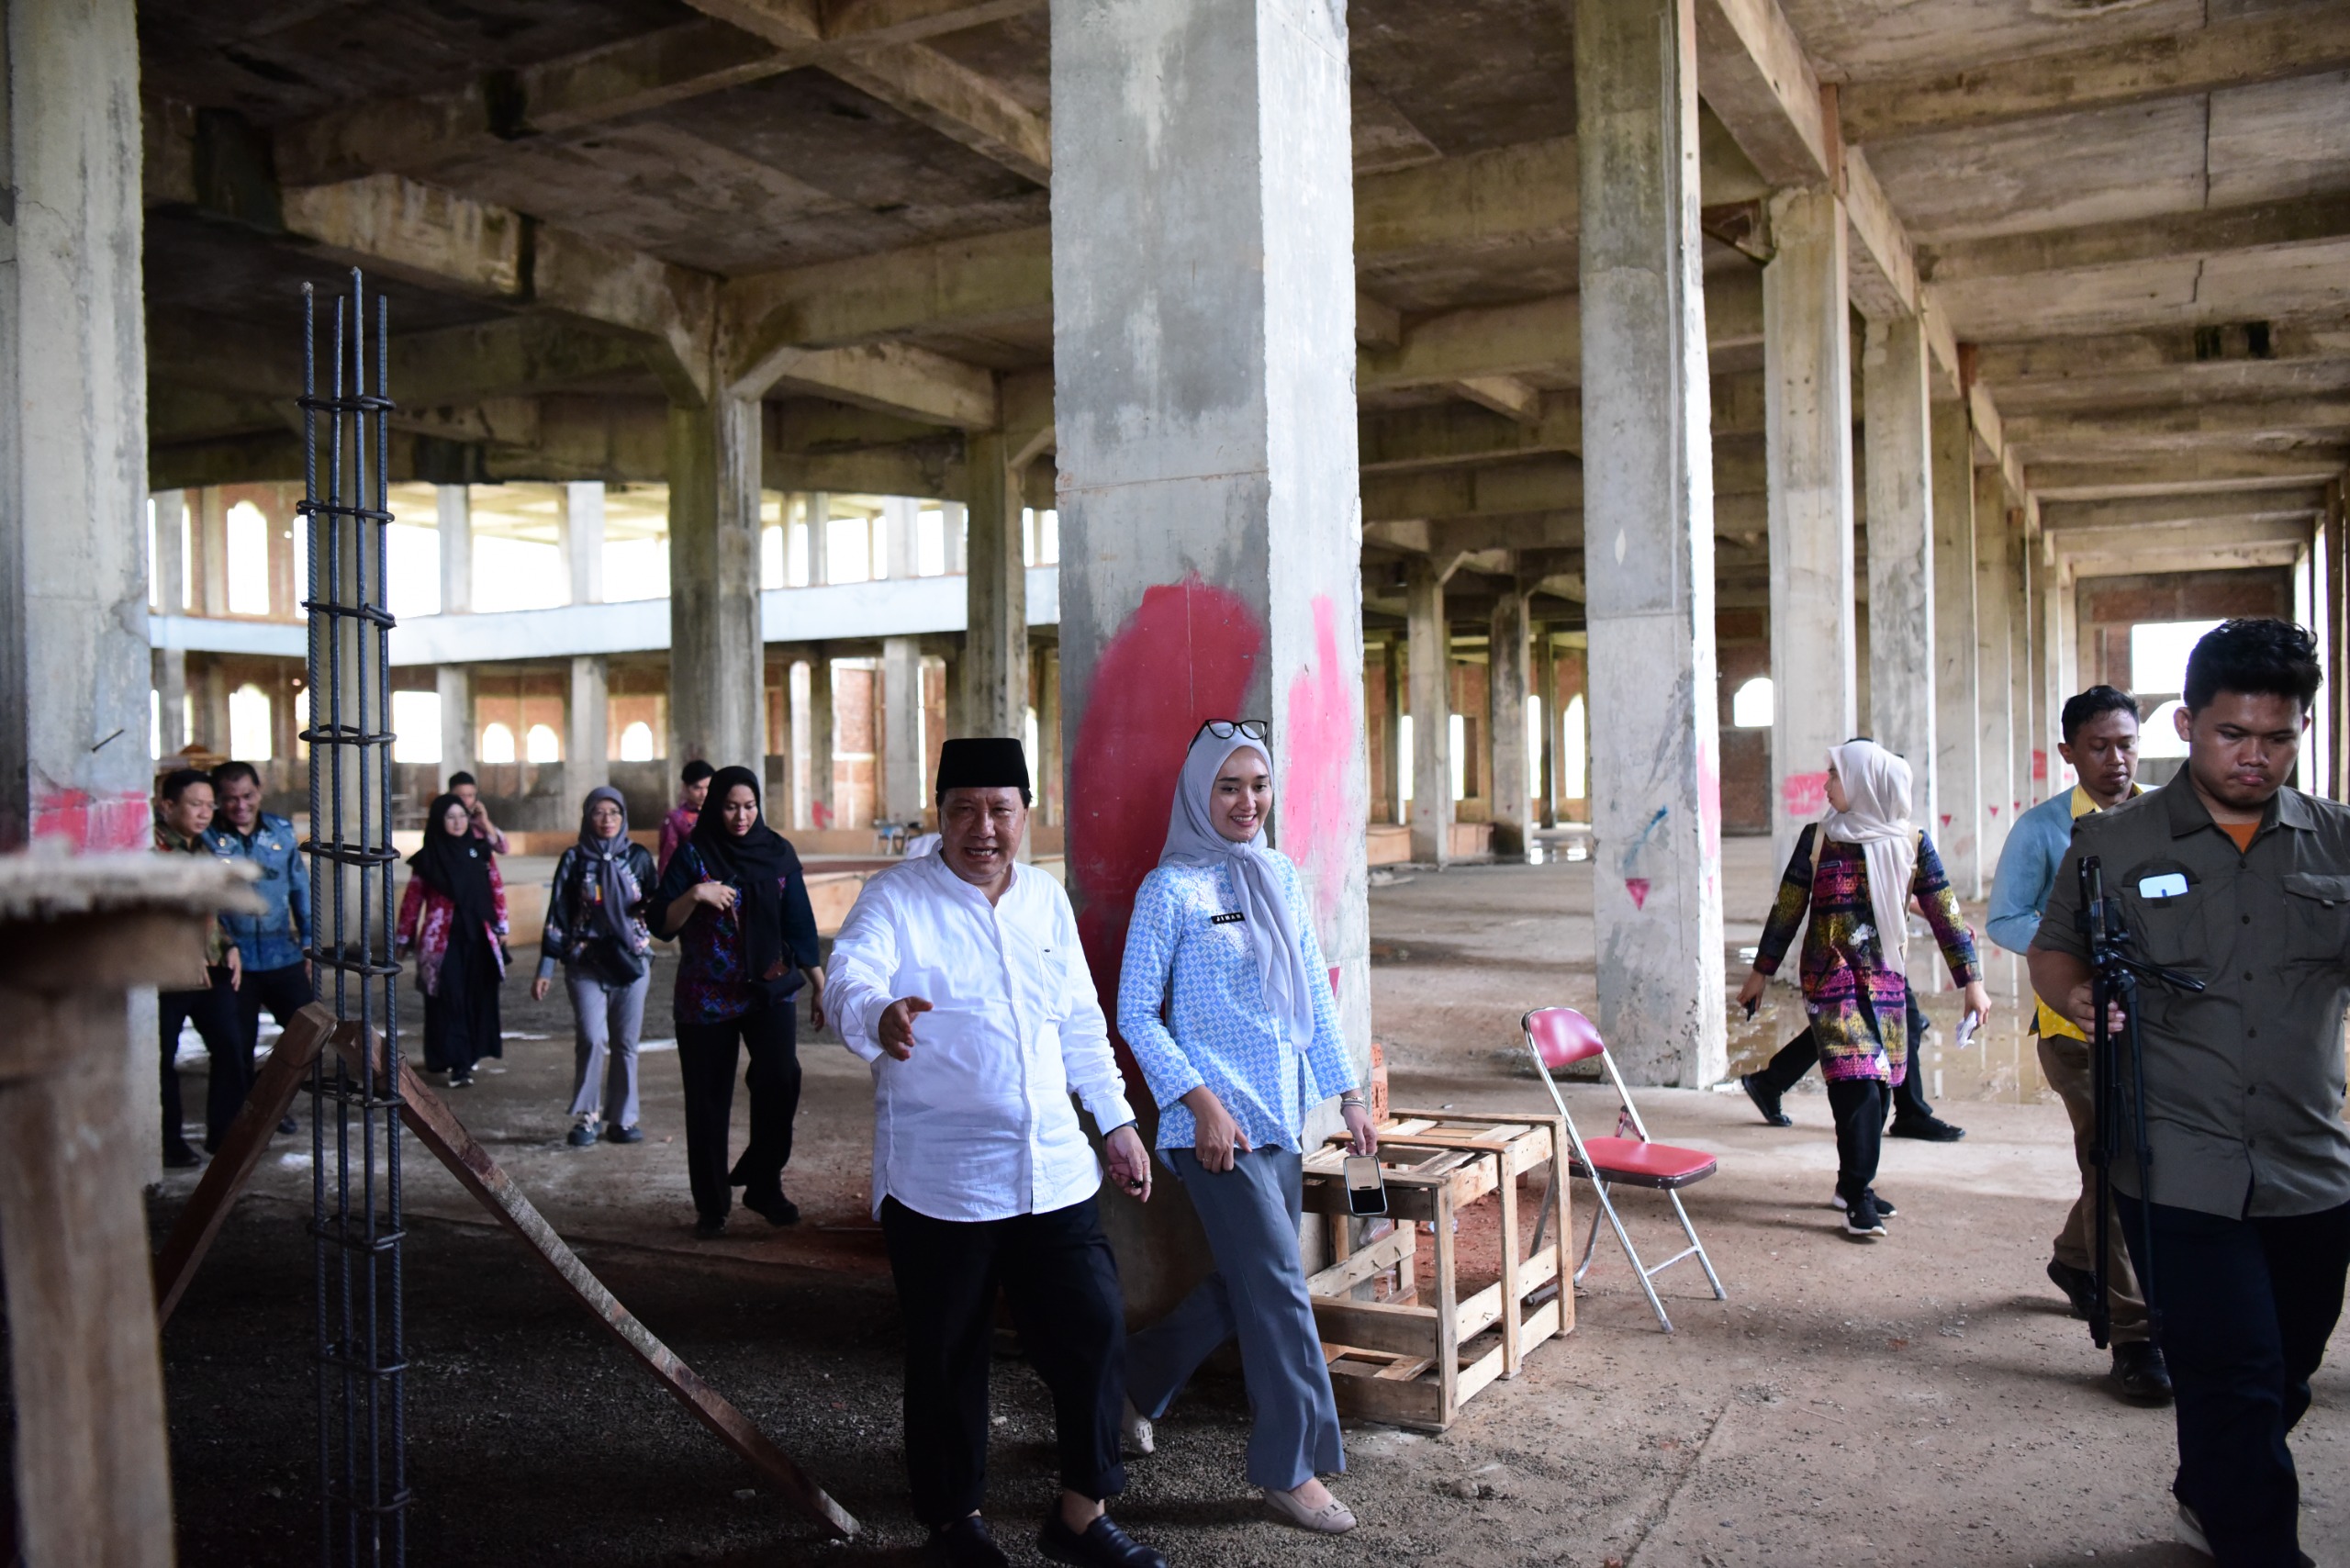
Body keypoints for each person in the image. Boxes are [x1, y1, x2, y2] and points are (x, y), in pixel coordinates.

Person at [2031, 619, 2350, 1565]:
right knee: (2235, 1370)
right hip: (2175, 1159)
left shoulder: (2335, 842)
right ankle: (2259, 1544)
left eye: (2278, 737)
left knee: (2286, 1367)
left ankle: (2209, 1491)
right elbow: (2053, 950)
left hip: (2307, 1161)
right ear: (2187, 722)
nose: (2255, 757)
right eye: (2231, 735)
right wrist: (2074, 993)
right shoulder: (2112, 844)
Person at [826, 738, 1166, 1568]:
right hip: (942, 1180)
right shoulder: (896, 898)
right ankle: (955, 1526)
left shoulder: (1046, 899)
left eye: (1000, 810)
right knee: (949, 1357)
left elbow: (1081, 1021)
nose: (983, 828)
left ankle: (1081, 1514)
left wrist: (1116, 1123)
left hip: (1053, 1167)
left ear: (1025, 814)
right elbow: (845, 977)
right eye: (964, 810)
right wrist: (878, 1015)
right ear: (939, 817)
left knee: (1091, 1331)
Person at [1118, 722, 1376, 1535]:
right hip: (1213, 1131)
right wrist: (1200, 1104)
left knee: (1245, 1286)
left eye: (1258, 785)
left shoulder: (1278, 875)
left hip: (1281, 1118)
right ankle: (1288, 1468)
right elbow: (1134, 1014)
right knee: (1279, 1292)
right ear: (1200, 793)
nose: (1246, 802)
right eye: (1228, 787)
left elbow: (1312, 997)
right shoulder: (1171, 890)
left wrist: (1350, 1094)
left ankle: (1123, 1387)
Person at [1987, 686, 2169, 1405]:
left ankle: (2073, 1258)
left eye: (2126, 744)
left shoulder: (2169, 818)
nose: (2117, 759)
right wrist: (2073, 956)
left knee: (2121, 1165)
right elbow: (2005, 919)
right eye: (2099, 747)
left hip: (2163, 1030)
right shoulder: (2042, 830)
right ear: (2069, 753)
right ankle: (2134, 1336)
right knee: (2120, 1166)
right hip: (2078, 1033)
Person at [1736, 740, 1990, 1238]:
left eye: (1834, 773)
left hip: (1885, 977)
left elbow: (1946, 914)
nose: (1826, 782)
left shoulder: (1911, 842)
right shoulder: (1817, 839)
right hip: (1829, 977)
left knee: (1880, 1086)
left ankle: (1850, 1183)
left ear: (1865, 782)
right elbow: (1787, 909)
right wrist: (1760, 972)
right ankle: (1858, 1196)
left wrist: (1973, 984)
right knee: (1856, 1086)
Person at [650, 766, 824, 1237]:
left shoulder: (778, 852)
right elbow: (661, 923)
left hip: (768, 989)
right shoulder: (693, 855)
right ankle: (712, 1205)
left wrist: (820, 985)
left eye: (749, 806)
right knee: (708, 1103)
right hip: (705, 997)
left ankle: (763, 1182)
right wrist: (695, 894)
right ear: (714, 807)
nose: (741, 816)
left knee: (780, 1078)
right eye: (730, 806)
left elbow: (800, 924)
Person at [532, 787, 658, 1148]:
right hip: (585, 962)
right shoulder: (574, 859)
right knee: (591, 1038)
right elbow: (557, 912)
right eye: (599, 813)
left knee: (625, 1043)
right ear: (587, 817)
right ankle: (588, 1117)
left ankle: (623, 1118)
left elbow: (656, 901)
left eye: (614, 813)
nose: (607, 820)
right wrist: (545, 967)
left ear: (623, 818)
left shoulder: (636, 857)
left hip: (632, 963)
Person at [206, 760, 311, 1137]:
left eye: (247, 795)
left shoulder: (281, 832)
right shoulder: (206, 839)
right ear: (218, 800)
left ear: (259, 791)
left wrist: (310, 944)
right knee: (236, 1047)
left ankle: (267, 1098)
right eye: (230, 799)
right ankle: (236, 1128)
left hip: (283, 954)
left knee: (309, 1037)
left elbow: (300, 887)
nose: (240, 805)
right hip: (235, 963)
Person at [155, 767, 244, 1167]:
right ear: (167, 805)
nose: (205, 813)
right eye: (195, 804)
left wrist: (229, 944)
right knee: (162, 1059)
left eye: (210, 805)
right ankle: (168, 1142)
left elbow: (210, 910)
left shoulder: (204, 848)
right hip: (166, 974)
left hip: (211, 968)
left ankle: (224, 1137)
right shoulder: (149, 851)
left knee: (231, 1048)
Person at [396, 792, 509, 1088]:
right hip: (443, 942)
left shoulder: (480, 850)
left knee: (476, 996)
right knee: (449, 998)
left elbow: (495, 887)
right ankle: (457, 1061)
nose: (458, 822)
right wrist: (403, 938)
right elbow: (412, 900)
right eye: (450, 817)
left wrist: (502, 925)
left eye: (462, 816)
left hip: (479, 936)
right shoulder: (429, 858)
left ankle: (469, 1055)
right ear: (438, 821)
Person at [657, 758, 715, 876]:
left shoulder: (721, 813)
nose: (704, 793)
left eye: (708, 787)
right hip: (689, 882)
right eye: (697, 788)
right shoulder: (675, 819)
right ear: (685, 787)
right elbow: (667, 858)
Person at [447, 770, 511, 856]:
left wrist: (485, 822)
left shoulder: (478, 823)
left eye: (470, 795)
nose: (466, 801)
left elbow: (503, 849)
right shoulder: (445, 821)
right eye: (461, 796)